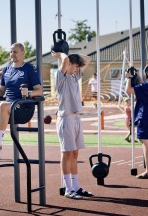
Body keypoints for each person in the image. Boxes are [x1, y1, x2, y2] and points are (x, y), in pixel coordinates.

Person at [0, 43, 43, 156]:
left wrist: (28, 93)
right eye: (11, 52)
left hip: (23, 108)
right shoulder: (6, 69)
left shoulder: (29, 68)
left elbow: (39, 90)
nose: (12, 54)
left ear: (23, 53)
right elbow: (1, 91)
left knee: (3, 105)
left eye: (15, 52)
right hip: (8, 109)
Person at [53, 51, 93, 199]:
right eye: (75, 66)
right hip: (66, 118)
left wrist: (72, 58)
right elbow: (65, 62)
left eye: (78, 67)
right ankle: (68, 189)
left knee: (75, 153)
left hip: (76, 118)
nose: (77, 69)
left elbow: (87, 59)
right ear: (68, 64)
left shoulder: (75, 77)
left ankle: (76, 186)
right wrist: (62, 54)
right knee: (67, 153)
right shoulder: (60, 78)